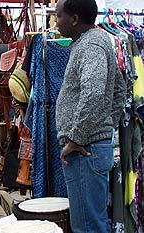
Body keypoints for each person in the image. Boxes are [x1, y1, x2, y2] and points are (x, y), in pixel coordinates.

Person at [55, 0, 127, 232]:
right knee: (92, 221)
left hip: (85, 150)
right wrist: (107, 125)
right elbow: (119, 90)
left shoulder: (91, 45)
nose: (55, 22)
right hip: (91, 146)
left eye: (58, 16)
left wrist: (78, 137)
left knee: (87, 225)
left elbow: (95, 92)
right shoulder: (91, 42)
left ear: (74, 19)